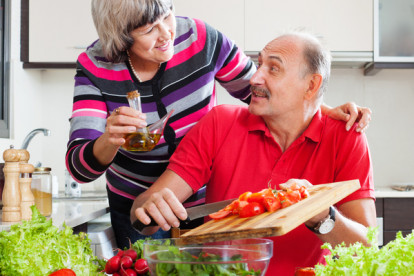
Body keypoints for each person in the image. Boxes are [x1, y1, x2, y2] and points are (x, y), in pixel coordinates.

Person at [66, 0, 372, 249]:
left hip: (202, 202)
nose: (166, 34)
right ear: (121, 37)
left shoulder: (201, 39)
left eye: (168, 16)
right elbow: (81, 168)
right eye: (148, 29)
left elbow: (264, 91)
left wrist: (322, 110)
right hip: (143, 202)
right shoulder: (96, 65)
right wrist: (109, 140)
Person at [130, 32, 376, 275]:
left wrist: (323, 215)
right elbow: (142, 215)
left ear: (311, 85)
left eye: (273, 69)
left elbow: (367, 249)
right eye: (259, 65)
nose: (255, 78)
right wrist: (150, 210)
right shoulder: (219, 123)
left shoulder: (346, 137)